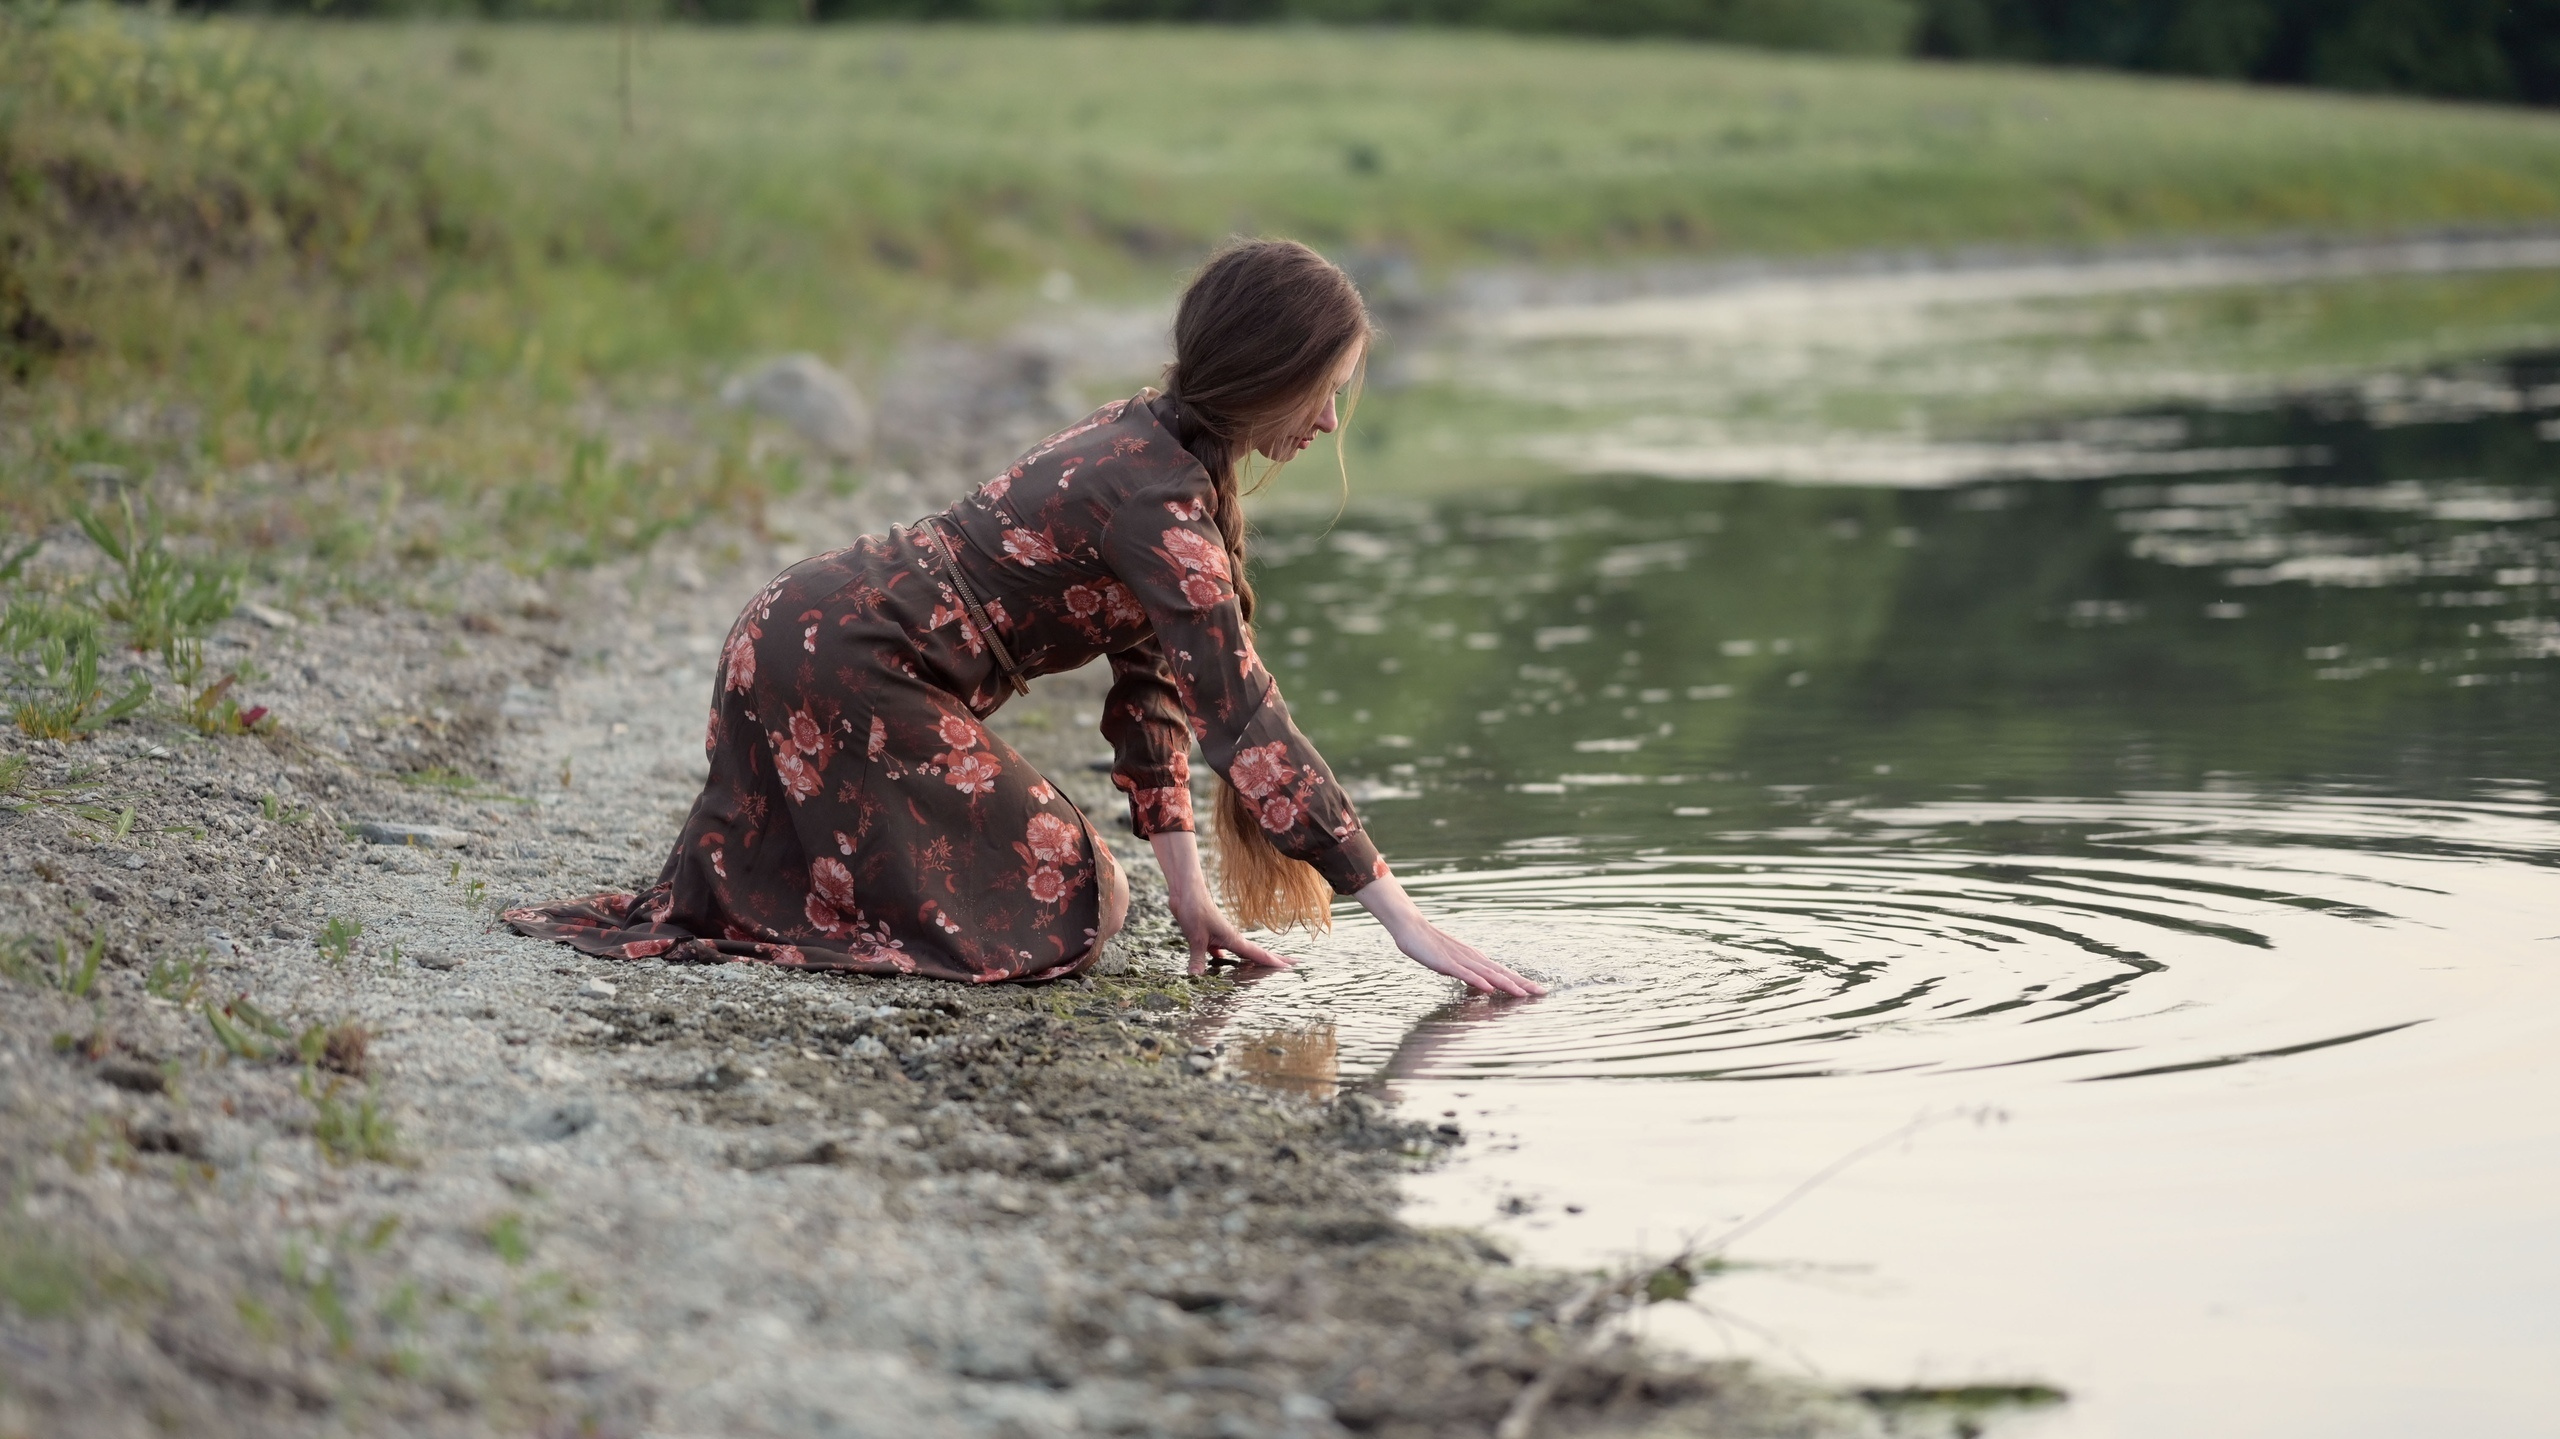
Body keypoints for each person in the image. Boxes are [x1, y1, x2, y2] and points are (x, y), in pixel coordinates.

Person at [506, 239, 1544, 999]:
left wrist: (1193, 895)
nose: (1327, 420)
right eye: (1324, 391)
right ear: (1267, 375)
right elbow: (1246, 721)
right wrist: (1403, 919)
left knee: (1074, 892)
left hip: (802, 632)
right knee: (1081, 901)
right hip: (848, 664)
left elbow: (1153, 691)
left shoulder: (1154, 439)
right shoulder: (1160, 502)